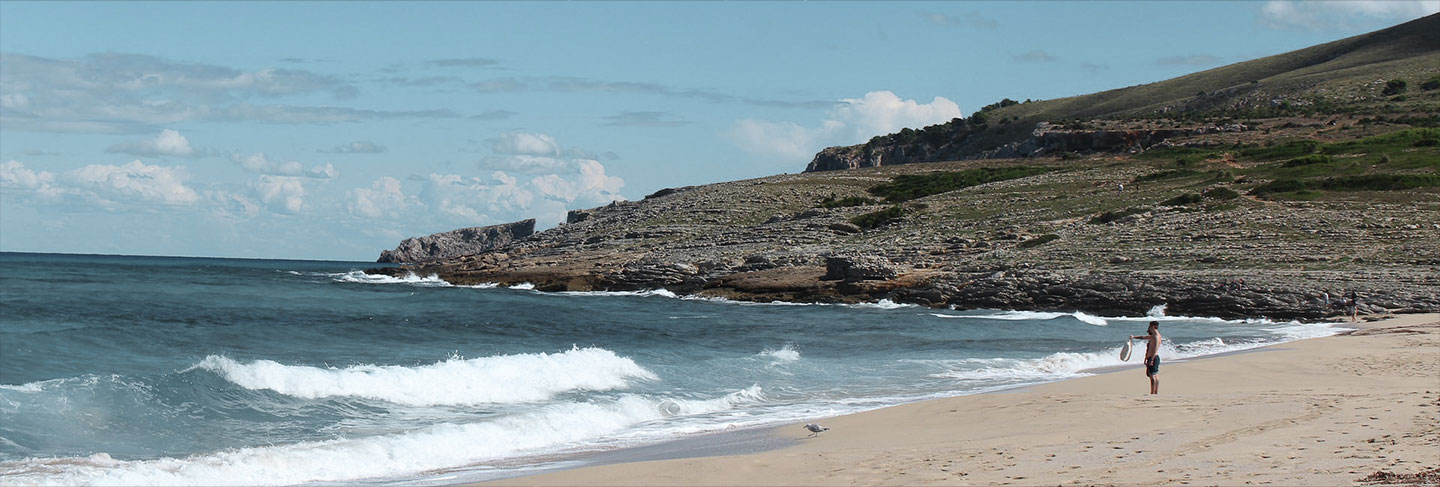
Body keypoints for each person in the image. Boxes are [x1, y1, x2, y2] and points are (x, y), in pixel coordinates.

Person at [1130, 321, 1162, 394]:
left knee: (1153, 376)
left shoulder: (1156, 336)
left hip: (1153, 358)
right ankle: (1155, 392)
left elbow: (1155, 349)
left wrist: (1152, 359)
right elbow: (1144, 337)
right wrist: (1134, 337)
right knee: (1155, 375)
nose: (1149, 328)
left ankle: (1153, 392)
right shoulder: (1154, 335)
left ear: (1153, 326)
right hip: (1152, 357)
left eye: (1150, 326)